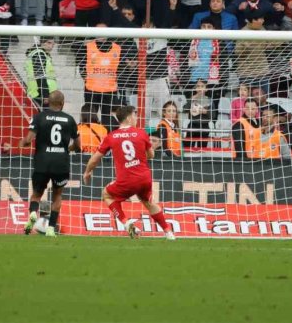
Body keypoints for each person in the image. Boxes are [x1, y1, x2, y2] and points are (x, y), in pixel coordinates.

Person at [82, 105, 175, 240]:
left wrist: (87, 172)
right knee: (149, 203)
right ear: (128, 117)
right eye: (134, 115)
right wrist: (139, 157)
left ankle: (127, 224)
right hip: (144, 178)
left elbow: (95, 158)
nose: (136, 118)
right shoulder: (141, 133)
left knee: (106, 194)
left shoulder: (111, 136)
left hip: (126, 180)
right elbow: (151, 155)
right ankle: (168, 232)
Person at [18, 90, 79, 237]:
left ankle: (33, 213)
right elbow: (77, 145)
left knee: (37, 194)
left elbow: (29, 139)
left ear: (47, 102)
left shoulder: (39, 117)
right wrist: (65, 149)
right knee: (57, 195)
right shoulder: (70, 120)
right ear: (62, 104)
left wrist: (22, 143)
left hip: (42, 161)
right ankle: (51, 228)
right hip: (61, 162)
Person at [25, 37, 58, 108]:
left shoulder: (42, 54)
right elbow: (40, 75)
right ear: (41, 43)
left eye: (53, 43)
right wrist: (45, 95)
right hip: (40, 93)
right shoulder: (39, 54)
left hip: (39, 91)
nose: (51, 45)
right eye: (49, 43)